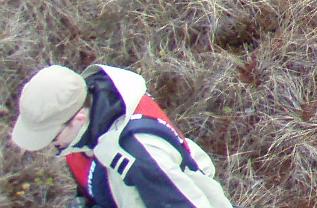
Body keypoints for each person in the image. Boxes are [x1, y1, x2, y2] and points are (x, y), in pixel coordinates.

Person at [11, 63, 234, 208]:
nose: (53, 145)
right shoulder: (86, 123)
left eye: (51, 137)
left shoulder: (141, 154)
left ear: (78, 117)